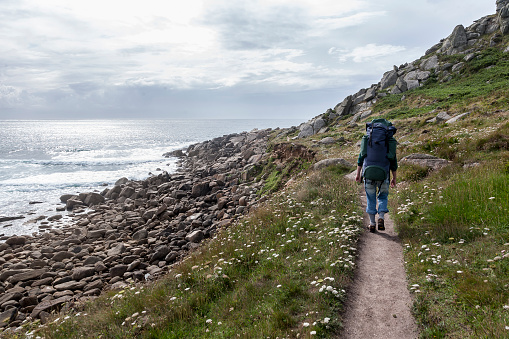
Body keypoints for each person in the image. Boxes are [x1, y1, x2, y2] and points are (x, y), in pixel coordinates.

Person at [355, 119, 398, 232]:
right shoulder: (390, 140)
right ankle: (381, 218)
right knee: (383, 196)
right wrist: (394, 177)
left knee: (370, 197)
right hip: (384, 174)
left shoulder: (367, 138)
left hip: (368, 173)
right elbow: (393, 160)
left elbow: (361, 157)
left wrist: (358, 173)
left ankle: (372, 223)